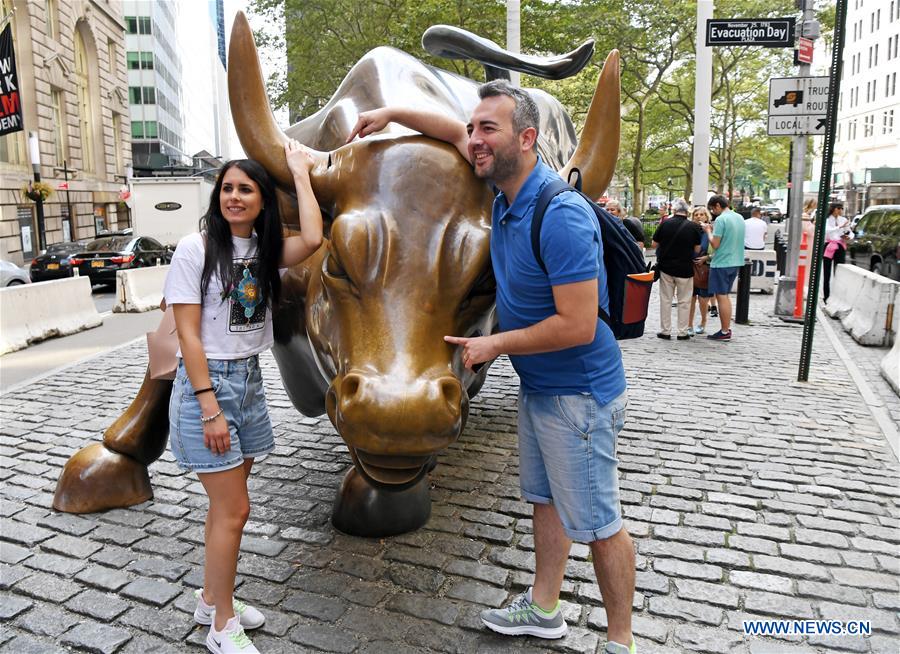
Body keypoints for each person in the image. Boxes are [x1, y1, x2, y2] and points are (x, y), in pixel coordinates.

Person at [347, 83, 636, 654]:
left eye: (488, 130)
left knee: (600, 523)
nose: (474, 140)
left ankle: (621, 640)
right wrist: (389, 113)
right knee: (544, 501)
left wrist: (495, 345)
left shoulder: (561, 214)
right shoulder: (503, 194)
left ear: (527, 140)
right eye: (473, 128)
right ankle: (545, 608)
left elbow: (578, 324)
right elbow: (449, 130)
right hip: (541, 388)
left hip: (578, 393)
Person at [165, 143, 323, 654]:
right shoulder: (196, 248)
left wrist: (300, 171)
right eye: (227, 188)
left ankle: (212, 599)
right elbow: (187, 336)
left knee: (225, 509)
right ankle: (222, 626)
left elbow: (316, 238)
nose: (233, 196)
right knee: (234, 510)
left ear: (261, 202)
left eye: (245, 189)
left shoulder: (264, 248)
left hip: (249, 382)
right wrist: (210, 407)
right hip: (207, 385)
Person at [651, 197, 701, 340]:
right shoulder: (694, 227)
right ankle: (682, 332)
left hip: (666, 268)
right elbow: (697, 249)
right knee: (684, 301)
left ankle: (665, 331)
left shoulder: (665, 224)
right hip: (685, 269)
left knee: (666, 299)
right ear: (687, 211)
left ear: (674, 210)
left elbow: (654, 244)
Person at [704, 195, 745, 341]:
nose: (713, 213)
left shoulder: (722, 219)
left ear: (717, 205)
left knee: (721, 296)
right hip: (736, 260)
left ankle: (725, 330)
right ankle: (725, 328)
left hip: (722, 262)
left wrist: (708, 230)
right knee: (725, 296)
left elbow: (715, 244)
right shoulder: (739, 217)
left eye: (712, 210)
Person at [688, 206, 713, 334]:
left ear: (706, 217)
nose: (698, 216)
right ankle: (689, 324)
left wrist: (706, 257)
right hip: (689, 267)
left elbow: (717, 248)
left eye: (702, 214)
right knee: (690, 298)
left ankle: (703, 321)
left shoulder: (710, 231)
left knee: (703, 299)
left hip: (704, 268)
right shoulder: (688, 230)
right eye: (696, 214)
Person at [822, 202, 852, 302]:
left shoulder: (843, 220)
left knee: (839, 272)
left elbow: (850, 232)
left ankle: (837, 297)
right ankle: (826, 296)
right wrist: (839, 227)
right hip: (829, 246)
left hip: (840, 245)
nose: (841, 211)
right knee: (827, 273)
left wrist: (848, 236)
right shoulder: (826, 219)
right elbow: (826, 231)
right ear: (835, 209)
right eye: (840, 208)